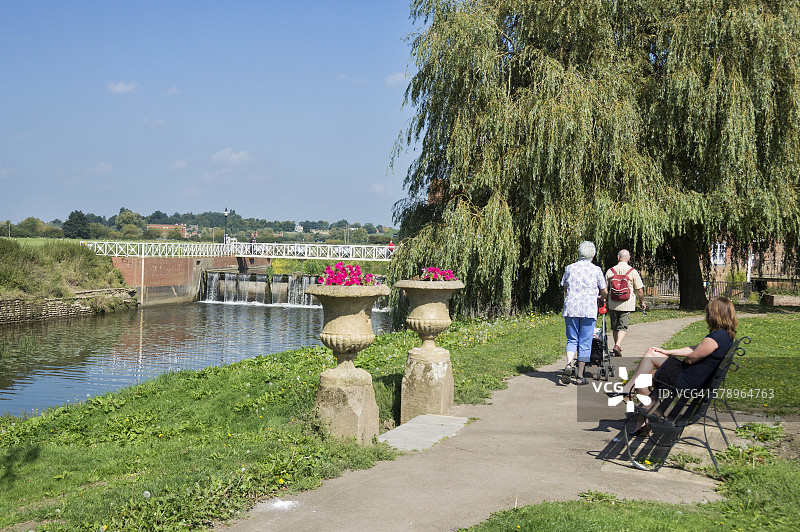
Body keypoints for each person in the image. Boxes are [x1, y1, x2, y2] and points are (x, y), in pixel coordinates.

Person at [613, 296, 737, 435]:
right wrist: (667, 352)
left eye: (708, 313)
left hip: (686, 380)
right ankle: (641, 423)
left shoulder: (715, 338)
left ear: (716, 315)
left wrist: (677, 361)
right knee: (649, 361)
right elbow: (693, 349)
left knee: (646, 366)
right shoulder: (725, 336)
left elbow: (691, 358)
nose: (706, 316)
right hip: (692, 378)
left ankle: (648, 405)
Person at [560, 241, 608, 385]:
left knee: (572, 340)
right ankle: (579, 376)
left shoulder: (570, 268)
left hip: (571, 308)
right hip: (588, 309)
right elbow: (604, 290)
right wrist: (602, 298)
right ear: (593, 255)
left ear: (579, 253)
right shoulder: (596, 270)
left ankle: (569, 364)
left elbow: (565, 287)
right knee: (585, 342)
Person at [605, 249, 647, 357]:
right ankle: (618, 345)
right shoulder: (632, 271)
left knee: (614, 326)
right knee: (623, 326)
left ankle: (616, 344)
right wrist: (642, 302)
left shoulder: (610, 271)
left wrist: (604, 300)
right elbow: (639, 289)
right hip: (627, 303)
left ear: (618, 258)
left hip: (613, 303)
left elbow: (605, 289)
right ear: (628, 258)